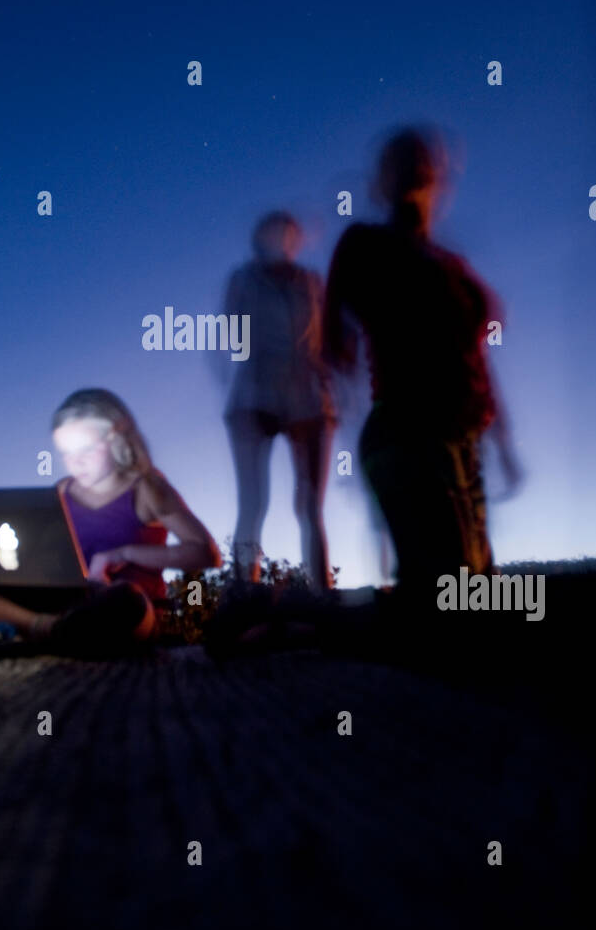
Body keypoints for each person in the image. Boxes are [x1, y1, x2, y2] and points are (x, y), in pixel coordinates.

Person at [321, 126, 523, 606]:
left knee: (477, 599)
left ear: (443, 179)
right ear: (379, 184)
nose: (413, 162)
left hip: (465, 445)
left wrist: (504, 444)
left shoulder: (456, 267)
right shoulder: (364, 244)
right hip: (406, 436)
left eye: (422, 154)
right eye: (395, 158)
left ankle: (304, 621)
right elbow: (333, 344)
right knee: (450, 604)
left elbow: (478, 359)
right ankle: (295, 621)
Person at [0, 388, 221, 656]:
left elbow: (206, 553)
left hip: (119, 607)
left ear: (117, 439)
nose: (74, 462)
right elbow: (43, 553)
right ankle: (48, 631)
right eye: (65, 452)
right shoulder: (62, 490)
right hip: (60, 605)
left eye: (85, 450)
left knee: (127, 603)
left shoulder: (149, 487)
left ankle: (19, 633)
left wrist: (122, 555)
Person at [217, 211, 338, 590]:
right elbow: (234, 338)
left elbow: (323, 338)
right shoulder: (242, 280)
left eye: (289, 233)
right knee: (252, 504)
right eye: (273, 232)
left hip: (308, 398)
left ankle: (323, 597)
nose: (282, 239)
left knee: (310, 507)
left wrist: (329, 389)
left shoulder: (311, 282)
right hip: (255, 396)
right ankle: (244, 595)